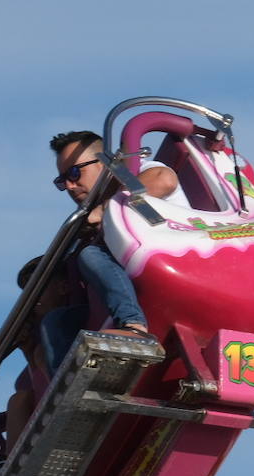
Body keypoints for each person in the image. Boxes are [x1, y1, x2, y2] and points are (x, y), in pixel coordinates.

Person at [43, 129, 181, 365]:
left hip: (172, 257)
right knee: (57, 321)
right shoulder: (89, 219)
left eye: (75, 173)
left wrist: (105, 209)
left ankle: (133, 326)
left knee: (91, 255)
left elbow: (164, 179)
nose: (69, 185)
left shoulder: (135, 173)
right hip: (136, 283)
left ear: (105, 162)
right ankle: (67, 385)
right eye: (61, 180)